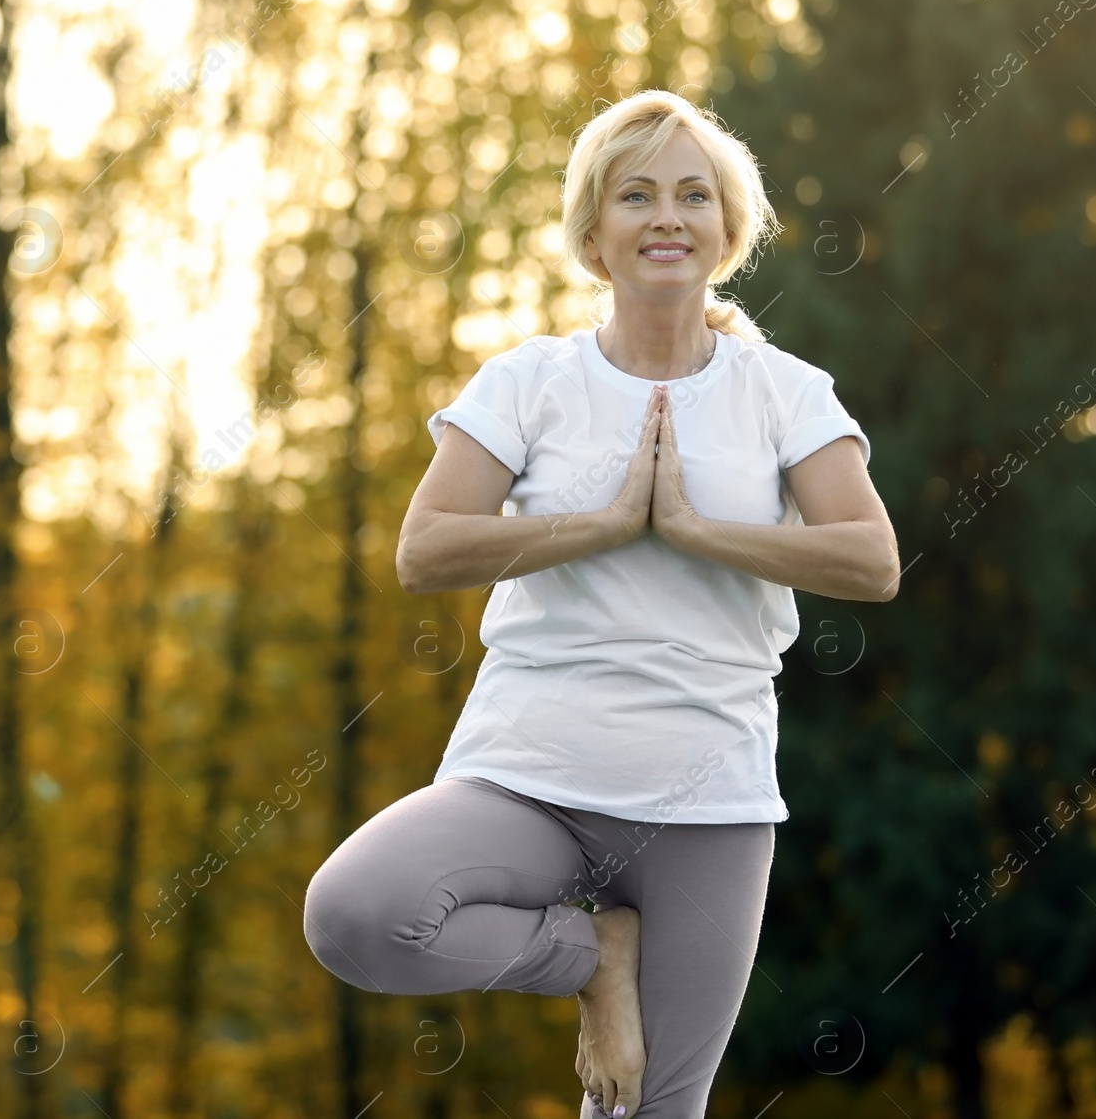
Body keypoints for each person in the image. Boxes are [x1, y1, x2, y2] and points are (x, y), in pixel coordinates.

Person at [303, 89, 900, 1118]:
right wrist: (604, 522)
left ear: (726, 228)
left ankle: (609, 967)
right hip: (529, 776)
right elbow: (425, 546)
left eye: (690, 194)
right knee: (357, 911)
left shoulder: (786, 391)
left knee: (645, 1114)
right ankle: (590, 952)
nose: (665, 215)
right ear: (592, 234)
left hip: (704, 800)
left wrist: (697, 529)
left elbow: (870, 558)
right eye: (635, 194)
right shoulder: (528, 382)